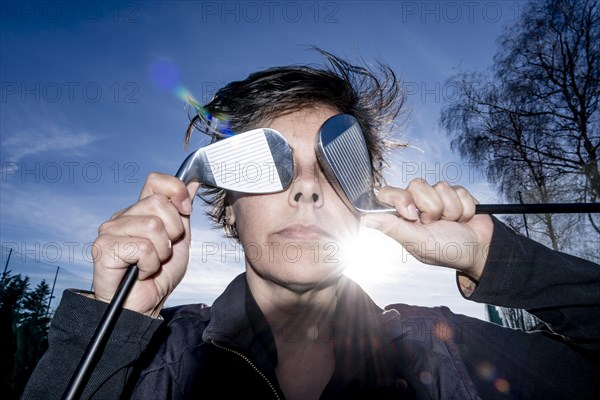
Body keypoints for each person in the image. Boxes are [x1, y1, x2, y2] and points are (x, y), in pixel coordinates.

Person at [24, 50, 599, 399]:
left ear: (363, 207)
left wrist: (492, 256)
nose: (306, 187)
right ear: (227, 205)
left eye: (333, 169)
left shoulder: (447, 350)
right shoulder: (150, 362)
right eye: (273, 169)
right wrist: (115, 323)